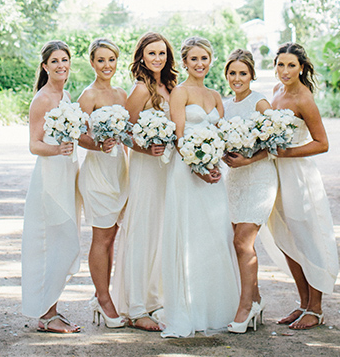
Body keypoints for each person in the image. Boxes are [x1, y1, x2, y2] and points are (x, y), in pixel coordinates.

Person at [161, 37, 240, 338]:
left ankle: (217, 309)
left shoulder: (216, 95)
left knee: (216, 236)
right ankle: (190, 311)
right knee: (191, 237)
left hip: (214, 175)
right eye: (193, 59)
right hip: (187, 173)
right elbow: (180, 139)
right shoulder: (179, 93)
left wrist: (219, 161)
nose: (200, 64)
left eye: (204, 58)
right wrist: (199, 168)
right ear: (184, 62)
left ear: (210, 60)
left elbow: (222, 134)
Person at [264, 41, 338, 329]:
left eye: (291, 65)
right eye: (280, 64)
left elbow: (323, 143)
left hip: (299, 176)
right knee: (286, 238)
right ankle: (303, 302)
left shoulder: (304, 99)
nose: (284, 70)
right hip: (277, 175)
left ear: (302, 68)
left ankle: (316, 308)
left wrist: (288, 153)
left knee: (307, 238)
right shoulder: (276, 92)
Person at [113, 32, 178, 330]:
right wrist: (145, 147)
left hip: (167, 168)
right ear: (141, 56)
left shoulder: (170, 86)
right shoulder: (140, 89)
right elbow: (124, 131)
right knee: (143, 229)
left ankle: (156, 297)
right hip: (145, 167)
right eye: (152, 53)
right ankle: (136, 306)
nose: (158, 58)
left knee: (163, 230)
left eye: (162, 53)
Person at [21, 40, 81, 334]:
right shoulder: (42, 99)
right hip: (49, 176)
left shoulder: (67, 95)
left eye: (65, 60)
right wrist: (58, 151)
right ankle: (46, 314)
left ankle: (53, 308)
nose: (61, 66)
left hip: (67, 174)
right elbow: (34, 145)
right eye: (55, 61)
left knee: (63, 242)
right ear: (45, 67)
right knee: (49, 242)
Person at [222, 48, 277, 332]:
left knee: (243, 242)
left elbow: (277, 142)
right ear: (226, 75)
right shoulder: (224, 105)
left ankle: (244, 308)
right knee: (237, 242)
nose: (237, 78)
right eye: (232, 73)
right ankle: (255, 300)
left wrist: (250, 159)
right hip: (234, 180)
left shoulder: (260, 103)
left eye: (243, 73)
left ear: (252, 75)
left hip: (258, 178)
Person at [77, 38, 129, 328]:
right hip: (98, 172)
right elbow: (75, 132)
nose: (106, 65)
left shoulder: (122, 93)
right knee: (102, 237)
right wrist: (97, 145)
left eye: (111, 59)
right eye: (101, 60)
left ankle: (105, 295)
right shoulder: (89, 94)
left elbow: (130, 131)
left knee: (113, 237)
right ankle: (103, 298)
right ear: (92, 63)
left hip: (120, 169)